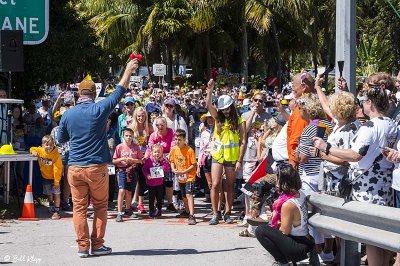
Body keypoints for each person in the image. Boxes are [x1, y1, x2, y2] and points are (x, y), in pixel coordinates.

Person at [313, 72, 398, 266]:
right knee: (384, 240)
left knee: (373, 240)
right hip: (385, 187)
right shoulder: (391, 124)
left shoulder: (369, 126)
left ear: (371, 104)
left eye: (364, 102)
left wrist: (326, 147)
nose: (362, 106)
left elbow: (355, 154)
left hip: (368, 189)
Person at [58, 59, 139, 258]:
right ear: (94, 94)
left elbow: (61, 139)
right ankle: (98, 244)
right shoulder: (100, 109)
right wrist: (128, 69)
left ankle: (83, 247)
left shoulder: (68, 115)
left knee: (79, 207)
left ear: (78, 94)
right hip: (96, 167)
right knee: (101, 206)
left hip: (75, 167)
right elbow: (120, 91)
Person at [255, 164, 317, 266]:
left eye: (278, 178)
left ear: (284, 181)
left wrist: (276, 218)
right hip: (306, 240)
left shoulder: (288, 205)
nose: (276, 181)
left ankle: (283, 262)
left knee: (261, 230)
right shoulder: (299, 193)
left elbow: (284, 232)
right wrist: (276, 215)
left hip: (299, 246)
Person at [206, 79, 247, 225]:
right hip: (218, 156)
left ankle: (227, 213)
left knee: (230, 185)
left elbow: (243, 142)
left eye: (228, 108)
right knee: (215, 184)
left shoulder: (240, 121)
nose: (226, 111)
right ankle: (215, 213)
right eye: (223, 109)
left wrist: (240, 160)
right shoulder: (218, 117)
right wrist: (210, 91)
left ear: (232, 107)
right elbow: (208, 105)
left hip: (232, 158)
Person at [146, 116, 177, 212]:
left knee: (168, 182)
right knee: (155, 183)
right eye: (157, 125)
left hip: (167, 160)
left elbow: (173, 146)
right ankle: (155, 203)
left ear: (166, 125)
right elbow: (150, 148)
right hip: (155, 160)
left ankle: (170, 203)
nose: (160, 127)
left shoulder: (171, 132)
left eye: (162, 125)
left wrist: (165, 157)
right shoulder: (153, 135)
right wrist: (146, 157)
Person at [113, 128, 143, 222]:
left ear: (133, 137)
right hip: (122, 170)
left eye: (130, 136)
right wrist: (123, 159)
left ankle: (128, 209)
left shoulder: (136, 147)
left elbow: (141, 160)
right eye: (127, 136)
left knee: (129, 191)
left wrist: (133, 160)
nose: (129, 137)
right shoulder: (119, 147)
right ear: (123, 136)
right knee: (122, 190)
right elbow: (114, 160)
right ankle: (119, 212)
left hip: (132, 170)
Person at [30, 135, 63, 220]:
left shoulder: (56, 155)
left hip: (55, 177)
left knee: (56, 193)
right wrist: (34, 152)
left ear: (53, 145)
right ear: (42, 145)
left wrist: (56, 182)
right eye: (47, 145)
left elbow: (58, 169)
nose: (49, 147)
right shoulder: (40, 150)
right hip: (45, 176)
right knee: (48, 192)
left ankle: (57, 210)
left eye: (51, 145)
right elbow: (33, 148)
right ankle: (51, 204)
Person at [169, 129, 197, 225]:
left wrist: (185, 171)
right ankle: (187, 211)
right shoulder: (174, 149)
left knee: (189, 194)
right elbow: (172, 161)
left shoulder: (189, 150)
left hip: (189, 175)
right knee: (184, 195)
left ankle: (192, 215)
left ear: (184, 139)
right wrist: (173, 169)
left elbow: (193, 164)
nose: (177, 141)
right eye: (176, 139)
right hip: (180, 176)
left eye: (180, 139)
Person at [287, 73, 315, 168]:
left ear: (303, 87)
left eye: (294, 86)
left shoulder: (303, 110)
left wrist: (293, 163)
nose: (292, 89)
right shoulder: (315, 105)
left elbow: (296, 140)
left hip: (300, 165)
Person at [129, 107, 152, 214]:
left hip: (144, 157)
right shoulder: (131, 128)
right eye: (139, 116)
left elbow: (150, 144)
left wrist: (146, 156)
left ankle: (140, 203)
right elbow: (127, 142)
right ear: (135, 116)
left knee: (142, 180)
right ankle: (131, 201)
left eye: (143, 116)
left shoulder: (149, 128)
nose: (141, 118)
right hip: (134, 156)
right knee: (133, 180)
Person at [142, 144, 170, 218]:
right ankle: (151, 211)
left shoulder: (163, 161)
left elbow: (167, 169)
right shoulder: (149, 160)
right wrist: (147, 175)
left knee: (159, 197)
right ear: (151, 152)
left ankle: (159, 209)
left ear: (161, 153)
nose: (157, 154)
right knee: (151, 197)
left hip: (159, 183)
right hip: (151, 183)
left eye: (158, 152)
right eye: (155, 152)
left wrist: (163, 163)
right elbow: (144, 169)